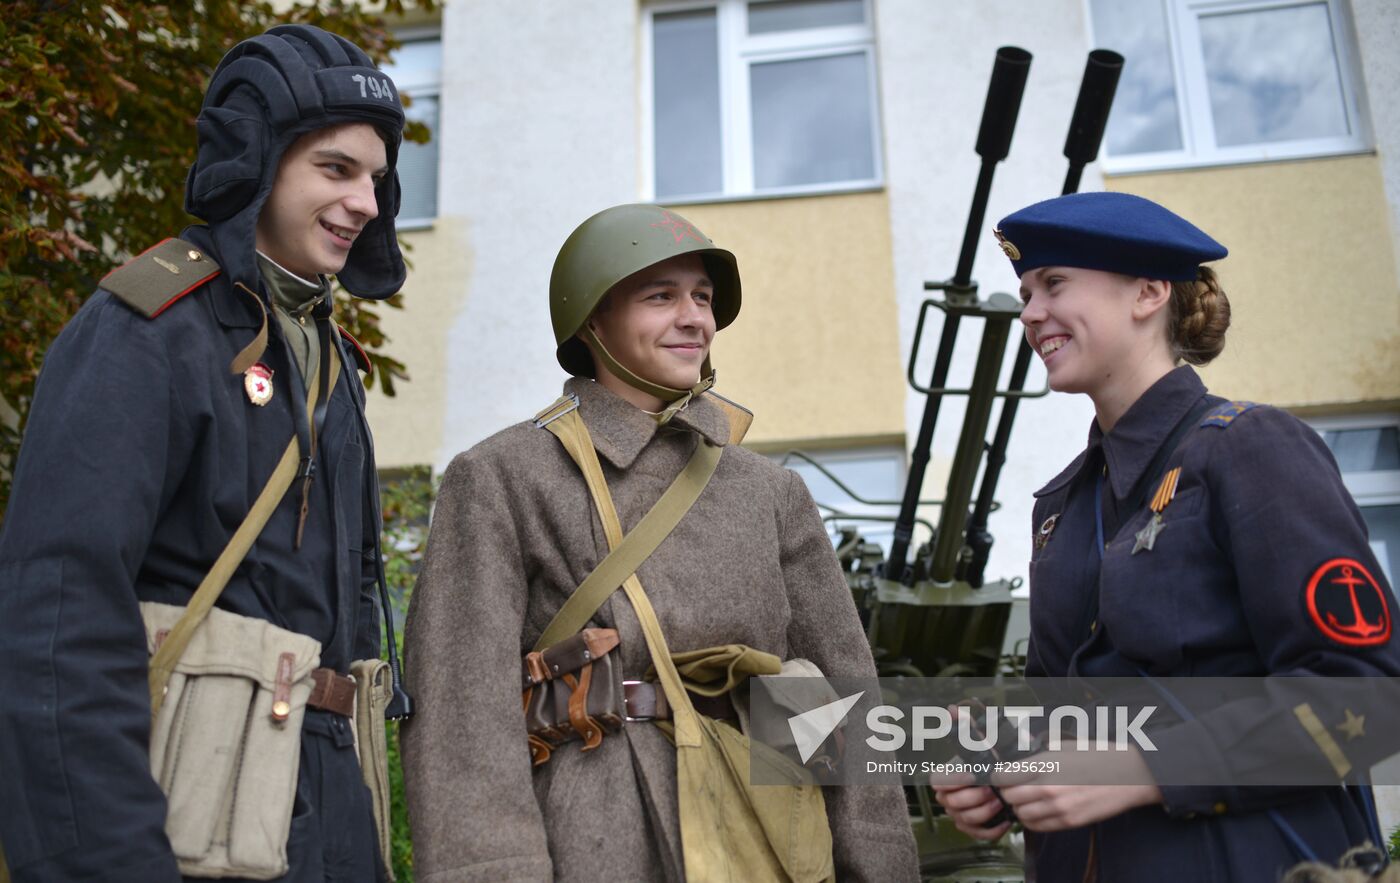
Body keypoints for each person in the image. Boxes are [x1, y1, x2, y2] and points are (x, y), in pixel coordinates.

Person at [401, 203, 919, 881]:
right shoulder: (503, 476)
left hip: (763, 831)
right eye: (660, 296)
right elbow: (463, 713)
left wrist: (876, 866)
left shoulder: (769, 492)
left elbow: (842, 702)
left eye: (702, 297)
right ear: (592, 319)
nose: (694, 318)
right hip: (592, 833)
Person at [0, 25, 408, 882]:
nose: (368, 202)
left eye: (375, 177)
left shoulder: (331, 360)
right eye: (335, 169)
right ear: (254, 164)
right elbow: (58, 622)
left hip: (318, 834)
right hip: (171, 843)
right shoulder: (148, 329)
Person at [932, 191, 1400, 882]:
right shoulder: (1061, 504)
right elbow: (1069, 716)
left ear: (1148, 292)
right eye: (1027, 291)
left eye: (1055, 284)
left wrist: (1145, 768)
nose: (1031, 312)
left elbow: (1366, 698)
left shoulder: (1251, 448)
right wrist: (999, 772)